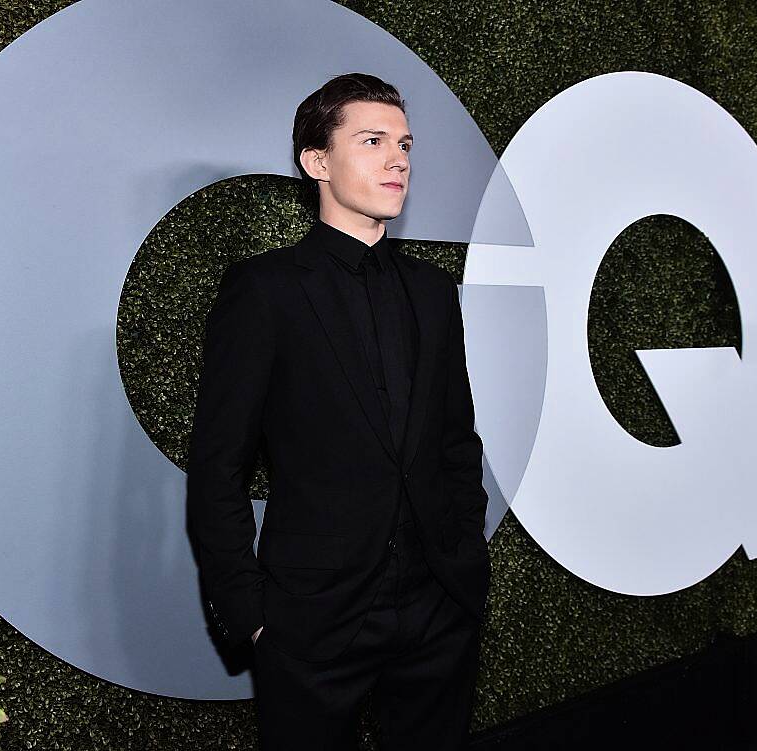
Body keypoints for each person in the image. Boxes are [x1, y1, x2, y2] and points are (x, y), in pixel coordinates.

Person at [186, 72, 490, 750]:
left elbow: (454, 441)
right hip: (313, 621)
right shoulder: (264, 291)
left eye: (405, 144)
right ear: (316, 162)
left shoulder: (434, 292)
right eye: (374, 140)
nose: (398, 160)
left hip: (439, 609)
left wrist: (466, 564)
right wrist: (253, 614)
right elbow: (217, 465)